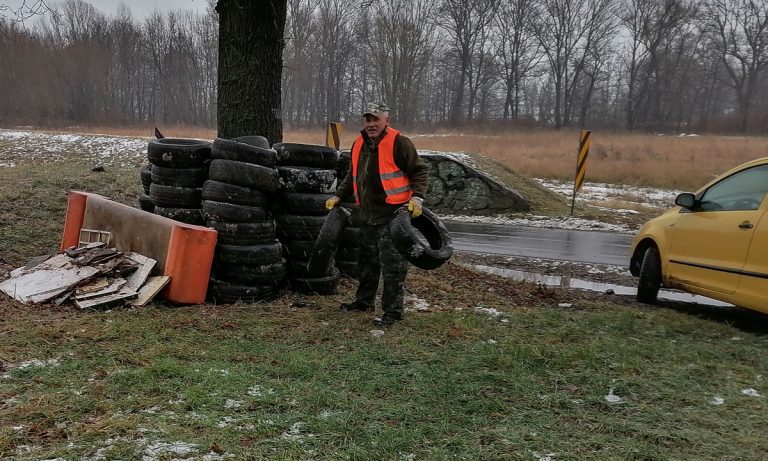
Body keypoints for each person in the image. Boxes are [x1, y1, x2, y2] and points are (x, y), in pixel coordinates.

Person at [325, 101, 429, 327]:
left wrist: (417, 197)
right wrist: (339, 196)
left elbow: (420, 171)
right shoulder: (359, 144)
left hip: (394, 216)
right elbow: (353, 175)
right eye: (368, 120)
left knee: (393, 267)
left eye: (376, 119)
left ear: (386, 121)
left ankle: (393, 312)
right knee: (366, 263)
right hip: (367, 216)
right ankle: (363, 302)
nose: (371, 124)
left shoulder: (399, 143)